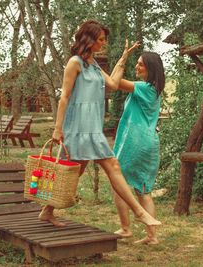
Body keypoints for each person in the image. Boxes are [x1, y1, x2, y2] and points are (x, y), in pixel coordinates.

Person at [38, 19, 161, 228]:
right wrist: (58, 128)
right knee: (112, 165)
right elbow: (65, 97)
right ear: (90, 39)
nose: (103, 43)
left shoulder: (93, 64)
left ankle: (47, 211)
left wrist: (123, 58)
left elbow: (113, 84)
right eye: (101, 40)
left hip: (92, 126)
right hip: (78, 127)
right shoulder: (74, 63)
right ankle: (139, 213)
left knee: (77, 170)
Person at [112, 51, 165, 245]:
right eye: (137, 63)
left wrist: (121, 59)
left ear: (151, 69)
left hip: (136, 142)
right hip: (148, 143)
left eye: (141, 64)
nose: (137, 67)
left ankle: (126, 229)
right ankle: (152, 236)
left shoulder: (144, 87)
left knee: (118, 184)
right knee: (143, 190)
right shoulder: (153, 89)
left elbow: (114, 82)